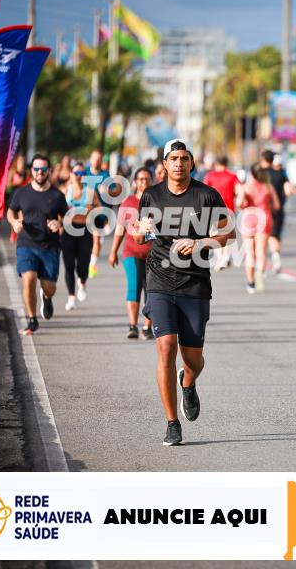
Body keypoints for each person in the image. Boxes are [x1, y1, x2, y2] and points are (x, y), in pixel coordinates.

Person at [133, 139, 234, 446]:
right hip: (160, 279)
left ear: (191, 162)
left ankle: (188, 383)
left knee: (194, 360)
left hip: (195, 283)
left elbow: (229, 233)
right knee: (166, 348)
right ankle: (172, 423)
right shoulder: (151, 196)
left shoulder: (206, 195)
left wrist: (201, 243)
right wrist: (139, 232)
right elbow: (140, 235)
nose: (179, 163)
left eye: (184, 158)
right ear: (164, 164)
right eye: (173, 158)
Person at [6, 154, 69, 334]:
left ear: (48, 170)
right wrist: (14, 223)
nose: (39, 172)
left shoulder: (57, 195)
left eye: (43, 169)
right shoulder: (22, 193)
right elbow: (10, 212)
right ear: (31, 170)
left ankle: (46, 298)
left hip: (50, 246)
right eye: (36, 169)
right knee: (29, 279)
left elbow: (67, 217)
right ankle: (32, 319)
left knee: (49, 287)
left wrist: (60, 223)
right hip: (26, 244)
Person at [108, 167, 155, 339]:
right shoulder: (128, 202)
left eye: (147, 179)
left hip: (153, 254)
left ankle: (147, 327)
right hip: (131, 252)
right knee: (134, 287)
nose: (144, 182)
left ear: (151, 181)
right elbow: (120, 229)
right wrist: (113, 251)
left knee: (152, 290)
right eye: (141, 179)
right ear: (135, 182)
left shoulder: (157, 201)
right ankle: (133, 325)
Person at [58, 162, 98, 311]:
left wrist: (92, 210)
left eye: (82, 174)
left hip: (84, 231)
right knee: (68, 265)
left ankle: (82, 282)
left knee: (83, 263)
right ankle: (71, 297)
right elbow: (56, 210)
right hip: (68, 231)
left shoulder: (90, 192)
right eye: (76, 173)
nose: (79, 176)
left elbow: (100, 210)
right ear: (71, 175)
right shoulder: (64, 191)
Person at [238, 163, 280, 293]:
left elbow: (239, 203)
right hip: (264, 217)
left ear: (251, 173)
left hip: (249, 217)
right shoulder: (268, 186)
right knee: (261, 251)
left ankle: (251, 283)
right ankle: (260, 273)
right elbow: (277, 205)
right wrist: (268, 207)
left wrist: (245, 204)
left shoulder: (245, 187)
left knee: (249, 251)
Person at [203, 155, 241, 271]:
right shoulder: (232, 176)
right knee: (227, 235)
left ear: (216, 163)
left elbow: (204, 192)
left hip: (214, 209)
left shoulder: (210, 175)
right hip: (229, 208)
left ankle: (221, 258)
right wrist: (239, 202)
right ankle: (225, 257)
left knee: (215, 235)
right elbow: (240, 191)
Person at [263, 151, 296, 274]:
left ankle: (264, 262)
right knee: (275, 235)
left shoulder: (264, 173)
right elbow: (288, 190)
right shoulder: (282, 175)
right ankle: (276, 257)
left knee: (265, 236)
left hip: (265, 209)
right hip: (279, 209)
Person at [85, 150, 109, 279]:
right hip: (84, 212)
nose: (96, 161)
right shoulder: (84, 172)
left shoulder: (105, 175)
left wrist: (106, 191)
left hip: (99, 212)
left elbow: (113, 192)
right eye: (94, 159)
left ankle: (92, 265)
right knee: (86, 240)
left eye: (98, 159)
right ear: (90, 159)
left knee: (96, 239)